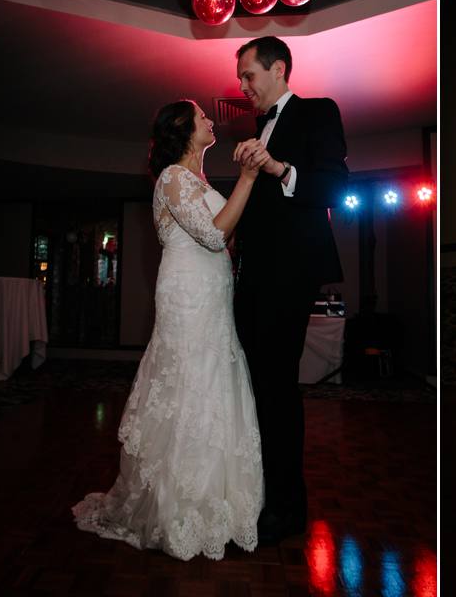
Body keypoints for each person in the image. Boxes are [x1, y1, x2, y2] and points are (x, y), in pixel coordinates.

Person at [73, 100, 265, 560]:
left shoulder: (196, 181)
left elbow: (225, 237)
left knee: (213, 382)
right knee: (187, 386)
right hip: (187, 298)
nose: (211, 120)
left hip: (213, 294)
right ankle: (176, 508)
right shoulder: (171, 179)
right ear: (183, 129)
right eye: (202, 116)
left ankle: (214, 505)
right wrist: (248, 179)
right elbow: (216, 235)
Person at [231, 36, 348, 544]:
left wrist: (277, 169)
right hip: (253, 275)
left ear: (278, 69)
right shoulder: (255, 131)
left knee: (277, 387)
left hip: (291, 273)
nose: (242, 87)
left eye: (248, 76)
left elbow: (335, 186)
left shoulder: (319, 111)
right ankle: (256, 491)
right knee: (252, 385)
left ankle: (287, 507)